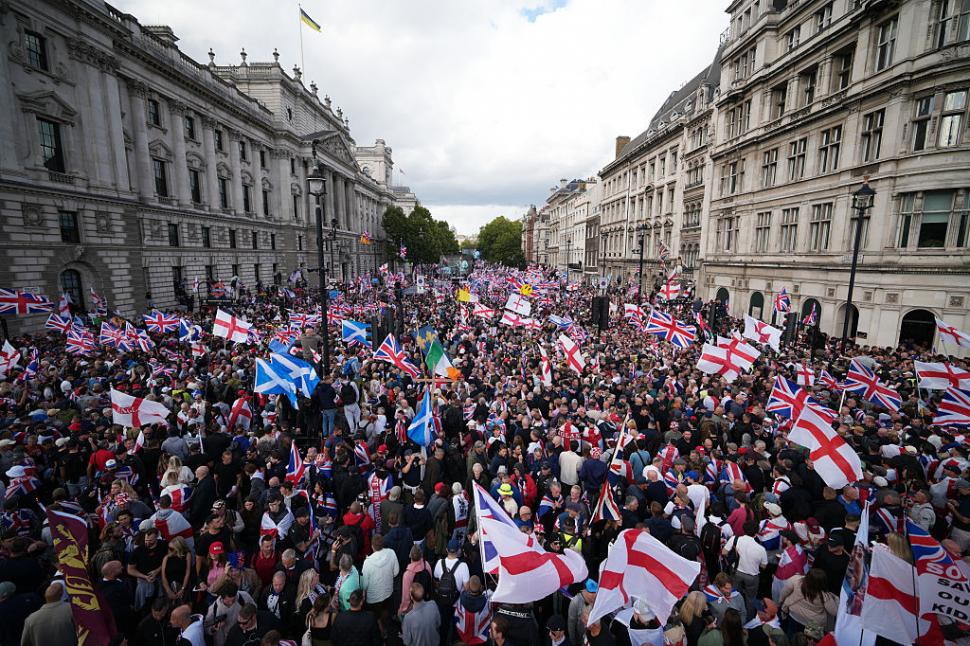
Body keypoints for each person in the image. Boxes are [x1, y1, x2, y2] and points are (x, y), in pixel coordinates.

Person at [778, 568, 838, 635]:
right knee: (808, 642)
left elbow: (784, 592)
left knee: (792, 635)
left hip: (794, 616)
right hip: (813, 624)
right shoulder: (824, 596)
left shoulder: (796, 580)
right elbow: (834, 612)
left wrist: (780, 602)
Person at [360, 533, 398, 632]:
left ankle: (382, 633)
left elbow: (364, 585)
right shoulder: (391, 553)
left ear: (372, 546)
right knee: (386, 611)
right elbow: (396, 572)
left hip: (373, 598)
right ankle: (387, 626)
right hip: (388, 592)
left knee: (376, 617)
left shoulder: (367, 562)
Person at [401, 582, 440, 646]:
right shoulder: (433, 604)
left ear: (411, 597)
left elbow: (407, 641)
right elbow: (438, 623)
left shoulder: (408, 617)